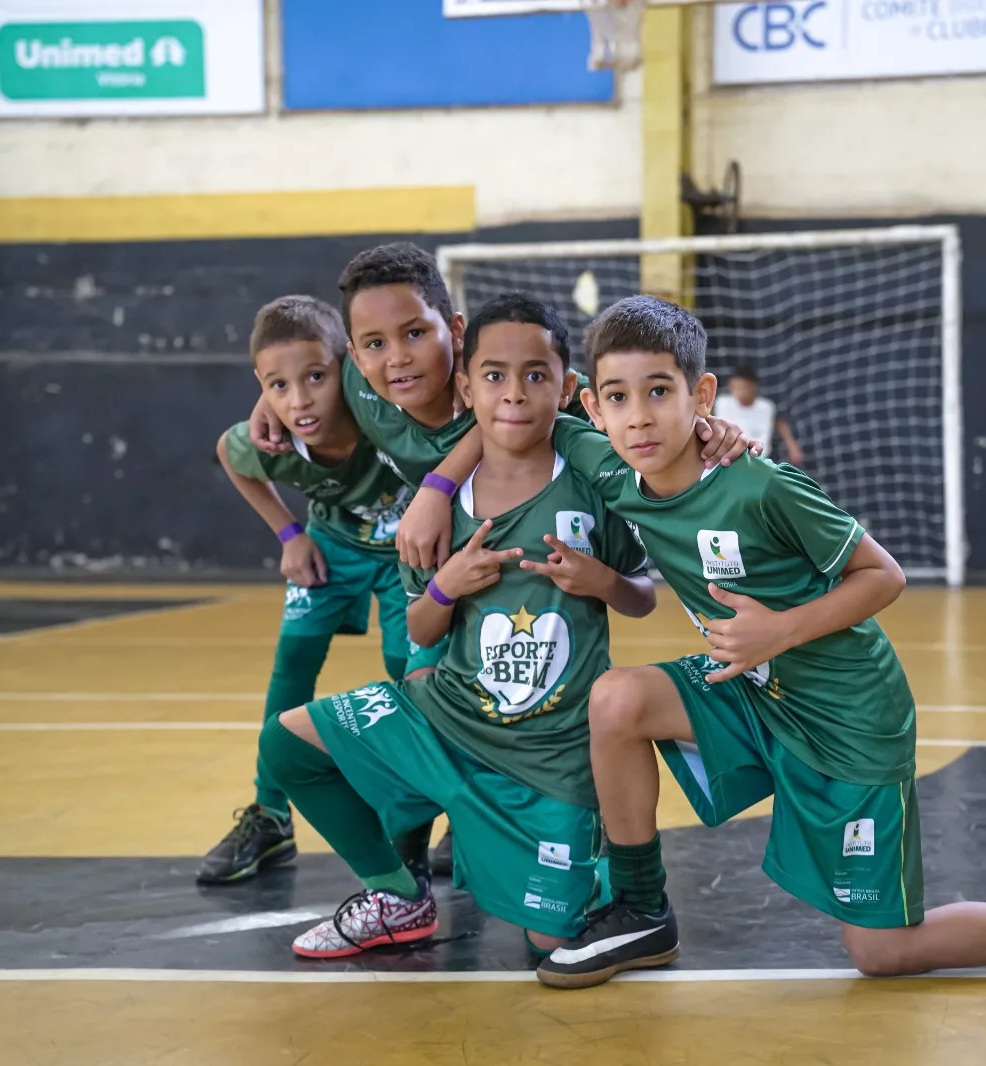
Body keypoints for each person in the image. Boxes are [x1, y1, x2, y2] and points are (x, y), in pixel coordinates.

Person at [535, 295, 986, 988]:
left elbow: (884, 574)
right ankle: (640, 909)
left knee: (883, 953)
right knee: (617, 699)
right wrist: (437, 489)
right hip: (755, 691)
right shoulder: (609, 463)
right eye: (618, 397)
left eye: (659, 392)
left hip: (846, 718)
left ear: (701, 395)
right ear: (594, 408)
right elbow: (512, 407)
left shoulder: (760, 487)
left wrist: (779, 629)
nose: (638, 415)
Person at [245, 243, 760, 875]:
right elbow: (293, 377)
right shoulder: (356, 377)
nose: (398, 356)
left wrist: (709, 428)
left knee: (436, 685)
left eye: (414, 334)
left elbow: (620, 431)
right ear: (355, 355)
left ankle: (493, 827)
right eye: (375, 344)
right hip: (426, 561)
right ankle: (393, 869)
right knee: (403, 686)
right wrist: (272, 406)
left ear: (454, 337)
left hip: (493, 589)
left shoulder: (535, 403)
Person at [256, 293, 656, 958]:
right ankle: (394, 893)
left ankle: (595, 856)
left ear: (565, 389)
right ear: (467, 388)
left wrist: (604, 583)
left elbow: (643, 597)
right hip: (447, 722)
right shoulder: (433, 510)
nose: (515, 394)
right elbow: (421, 624)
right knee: (288, 743)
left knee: (549, 939)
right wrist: (446, 586)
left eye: (536, 375)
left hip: (548, 757)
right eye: (495, 376)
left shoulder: (591, 484)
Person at [201, 295, 441, 885]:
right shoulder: (272, 440)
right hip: (332, 545)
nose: (300, 400)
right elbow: (229, 457)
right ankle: (269, 816)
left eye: (315, 377)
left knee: (411, 671)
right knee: (292, 664)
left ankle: (425, 812)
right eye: (278, 386)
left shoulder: (385, 409)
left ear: (348, 367)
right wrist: (288, 533)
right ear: (261, 386)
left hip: (409, 556)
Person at [714, 364, 804, 466]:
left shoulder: (766, 408)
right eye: (735, 387)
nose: (738, 392)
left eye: (742, 388)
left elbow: (778, 422)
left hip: (759, 460)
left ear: (753, 386)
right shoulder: (722, 403)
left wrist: (792, 446)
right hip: (726, 460)